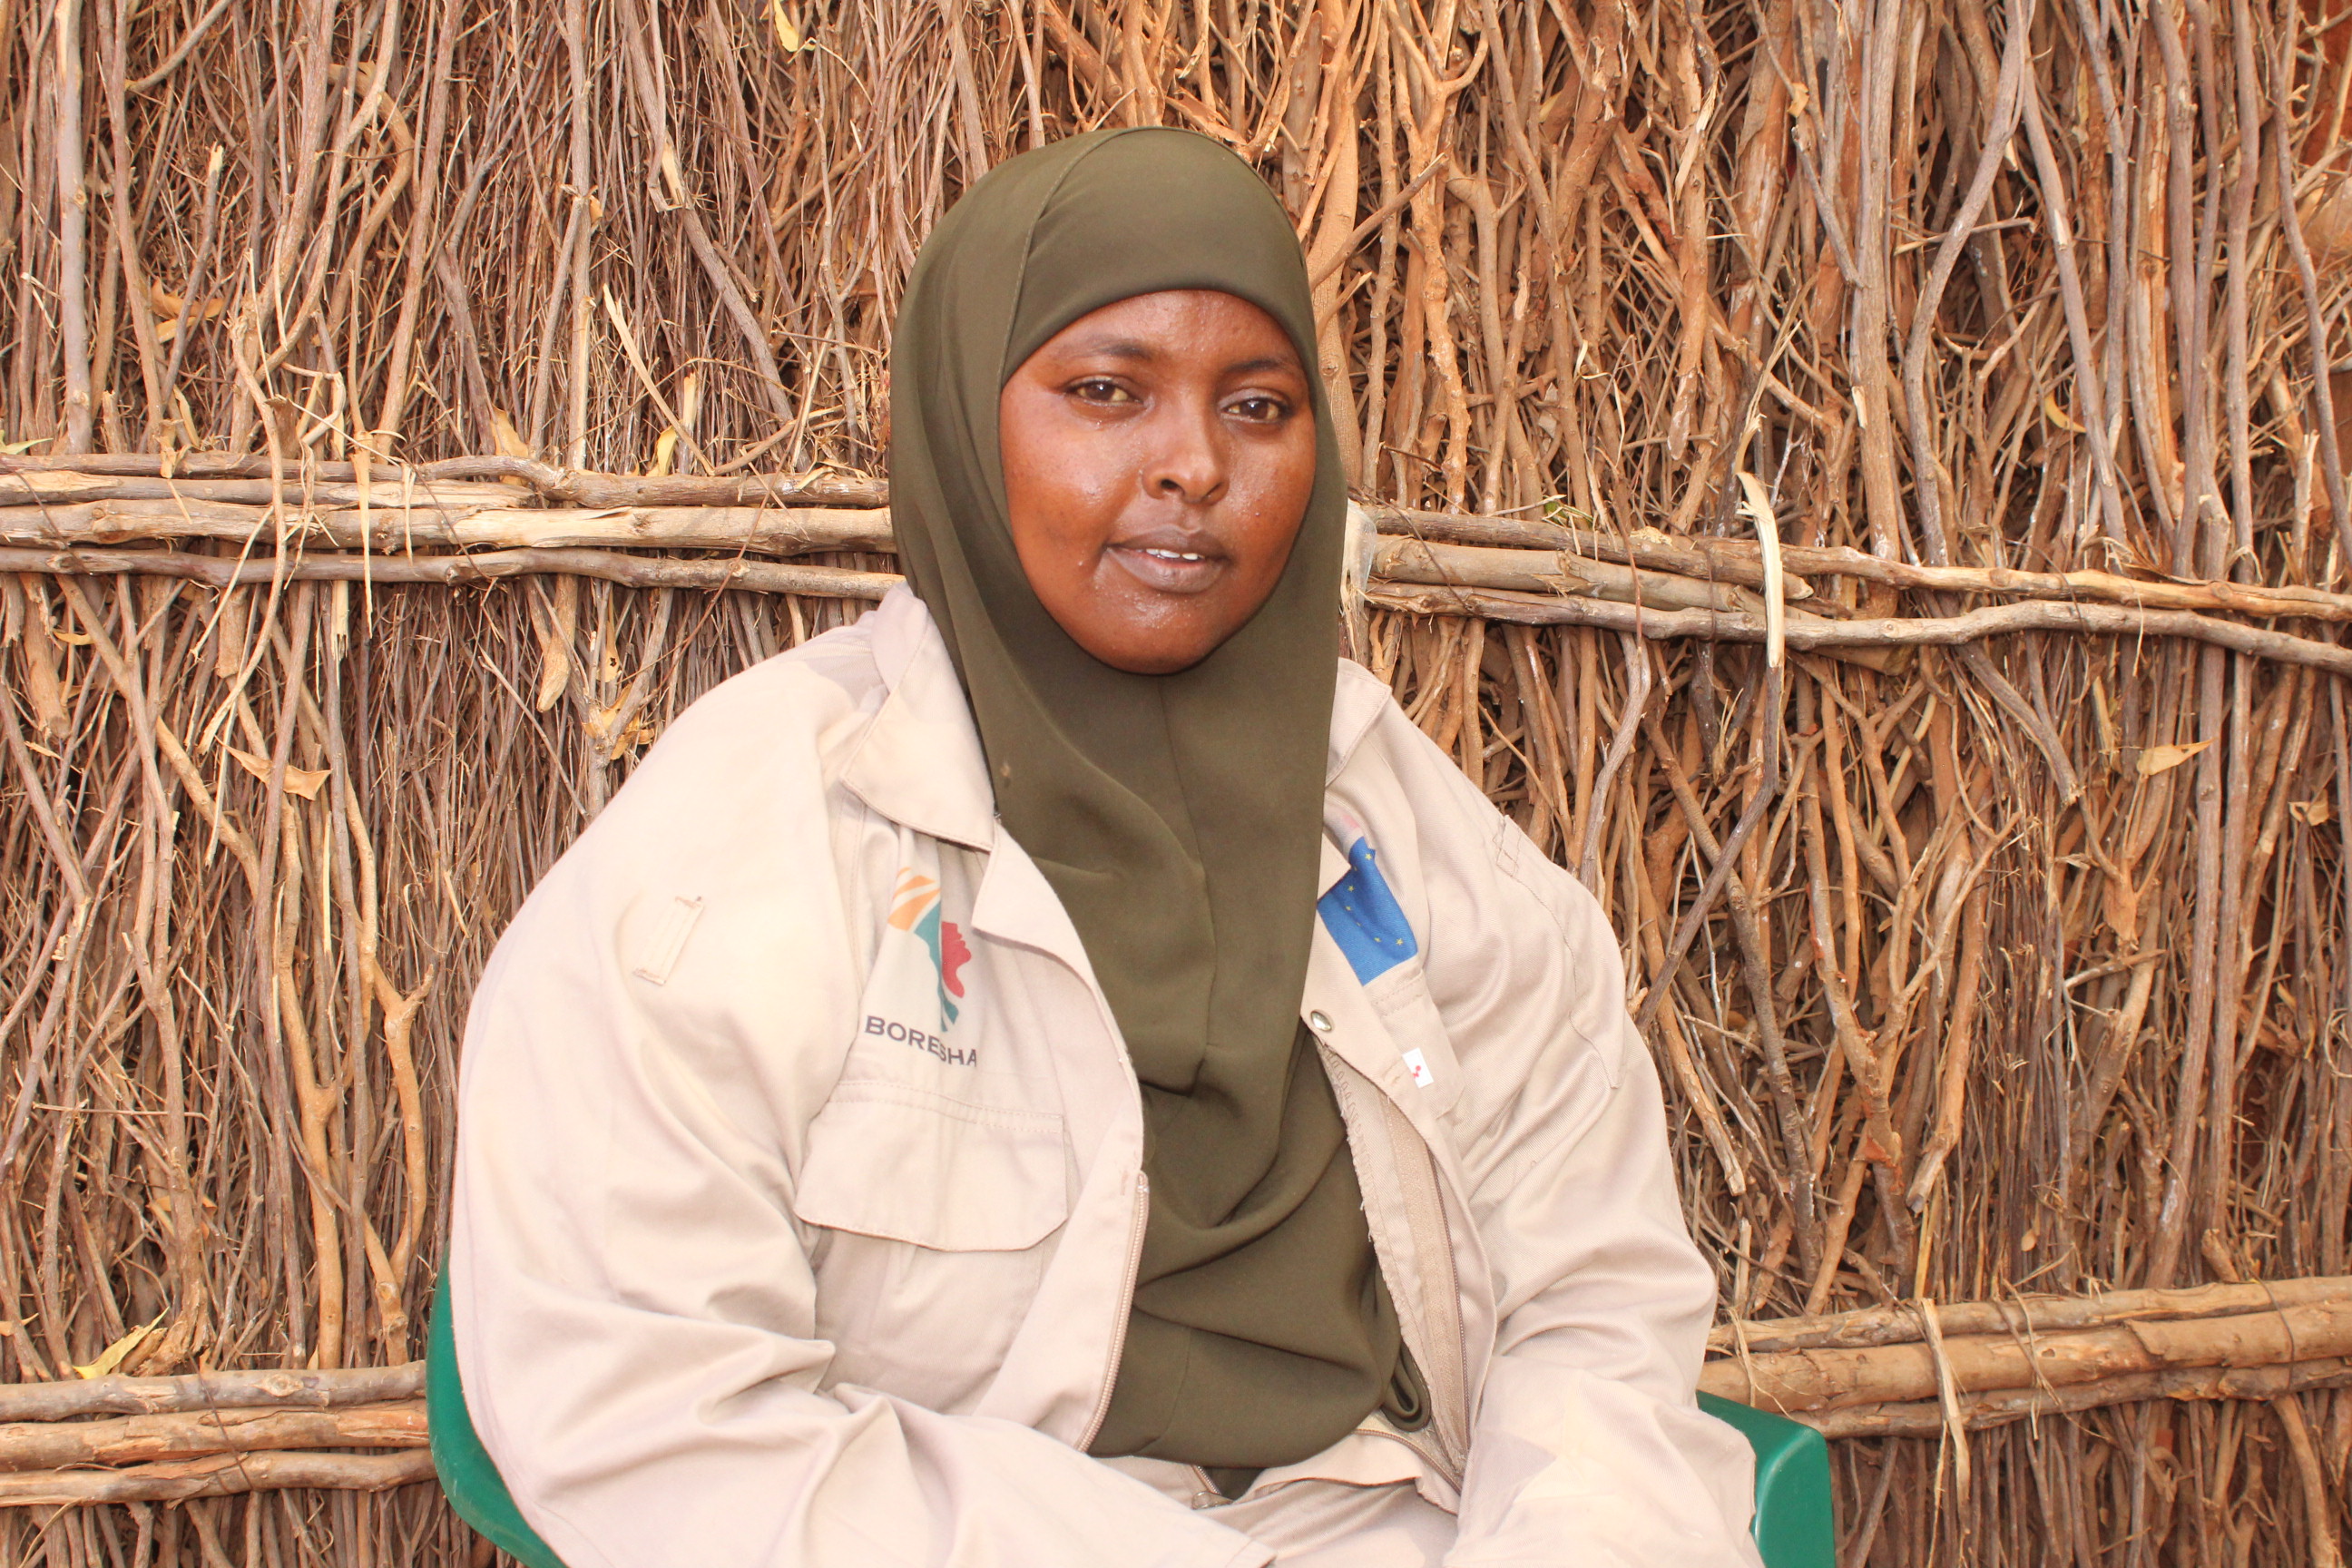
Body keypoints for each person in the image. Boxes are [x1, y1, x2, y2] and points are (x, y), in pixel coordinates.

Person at [449, 127, 1761, 1568]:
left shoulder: (1429, 851)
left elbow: (1596, 1319)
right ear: (963, 420)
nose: (1194, 465)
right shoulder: (733, 869)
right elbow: (652, 1427)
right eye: (1105, 393)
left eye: (1259, 406)